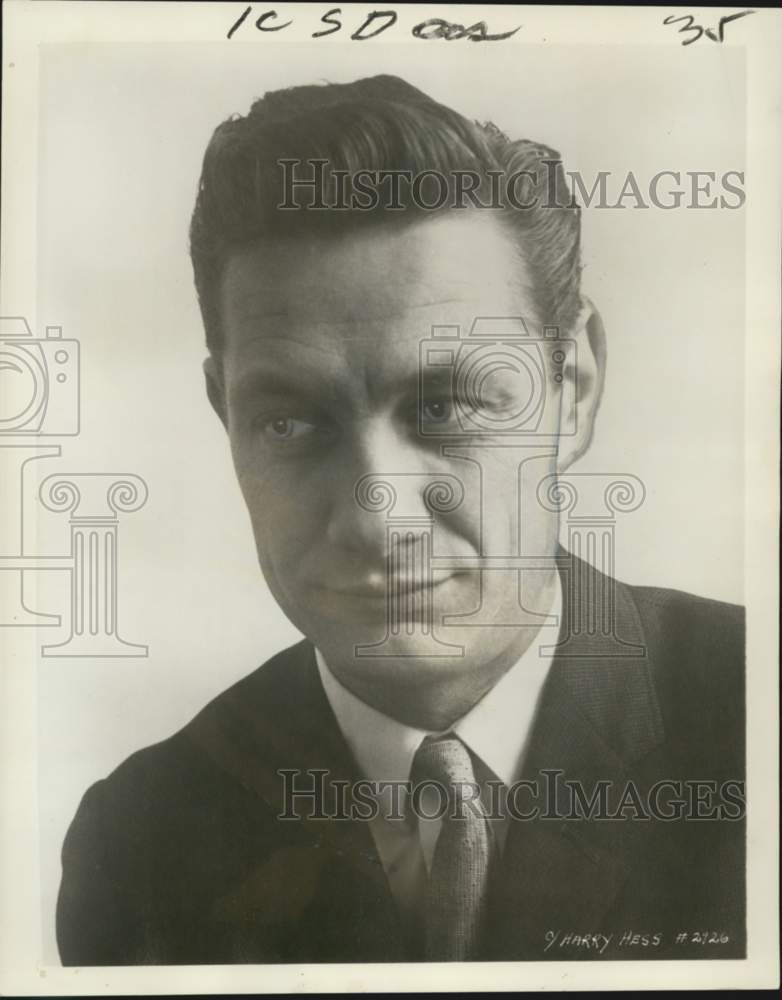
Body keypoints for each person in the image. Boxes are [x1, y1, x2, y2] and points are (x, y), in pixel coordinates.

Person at [56, 74, 745, 965]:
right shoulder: (140, 840)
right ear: (224, 412)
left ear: (570, 390)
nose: (378, 518)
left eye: (449, 405)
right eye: (290, 421)